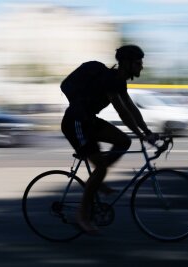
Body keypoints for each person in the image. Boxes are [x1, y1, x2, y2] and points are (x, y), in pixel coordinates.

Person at [61, 44, 158, 234]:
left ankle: (98, 179)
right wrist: (142, 135)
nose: (141, 67)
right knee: (102, 168)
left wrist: (146, 130)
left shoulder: (119, 81)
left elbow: (131, 108)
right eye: (138, 63)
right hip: (76, 123)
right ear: (127, 64)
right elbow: (122, 112)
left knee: (124, 141)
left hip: (89, 121)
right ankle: (82, 215)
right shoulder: (108, 80)